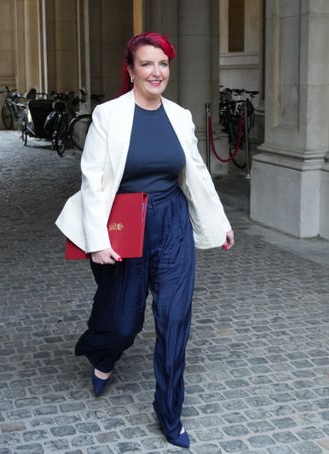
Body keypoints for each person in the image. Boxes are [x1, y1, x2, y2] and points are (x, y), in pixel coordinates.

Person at [55, 31, 234, 448]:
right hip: (125, 224)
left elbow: (196, 173)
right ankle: (102, 353)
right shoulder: (109, 115)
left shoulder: (180, 115)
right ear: (131, 70)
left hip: (172, 223)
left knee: (174, 321)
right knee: (124, 321)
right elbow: (94, 181)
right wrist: (97, 239)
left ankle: (169, 413)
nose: (157, 72)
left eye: (163, 64)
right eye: (147, 64)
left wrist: (219, 221)